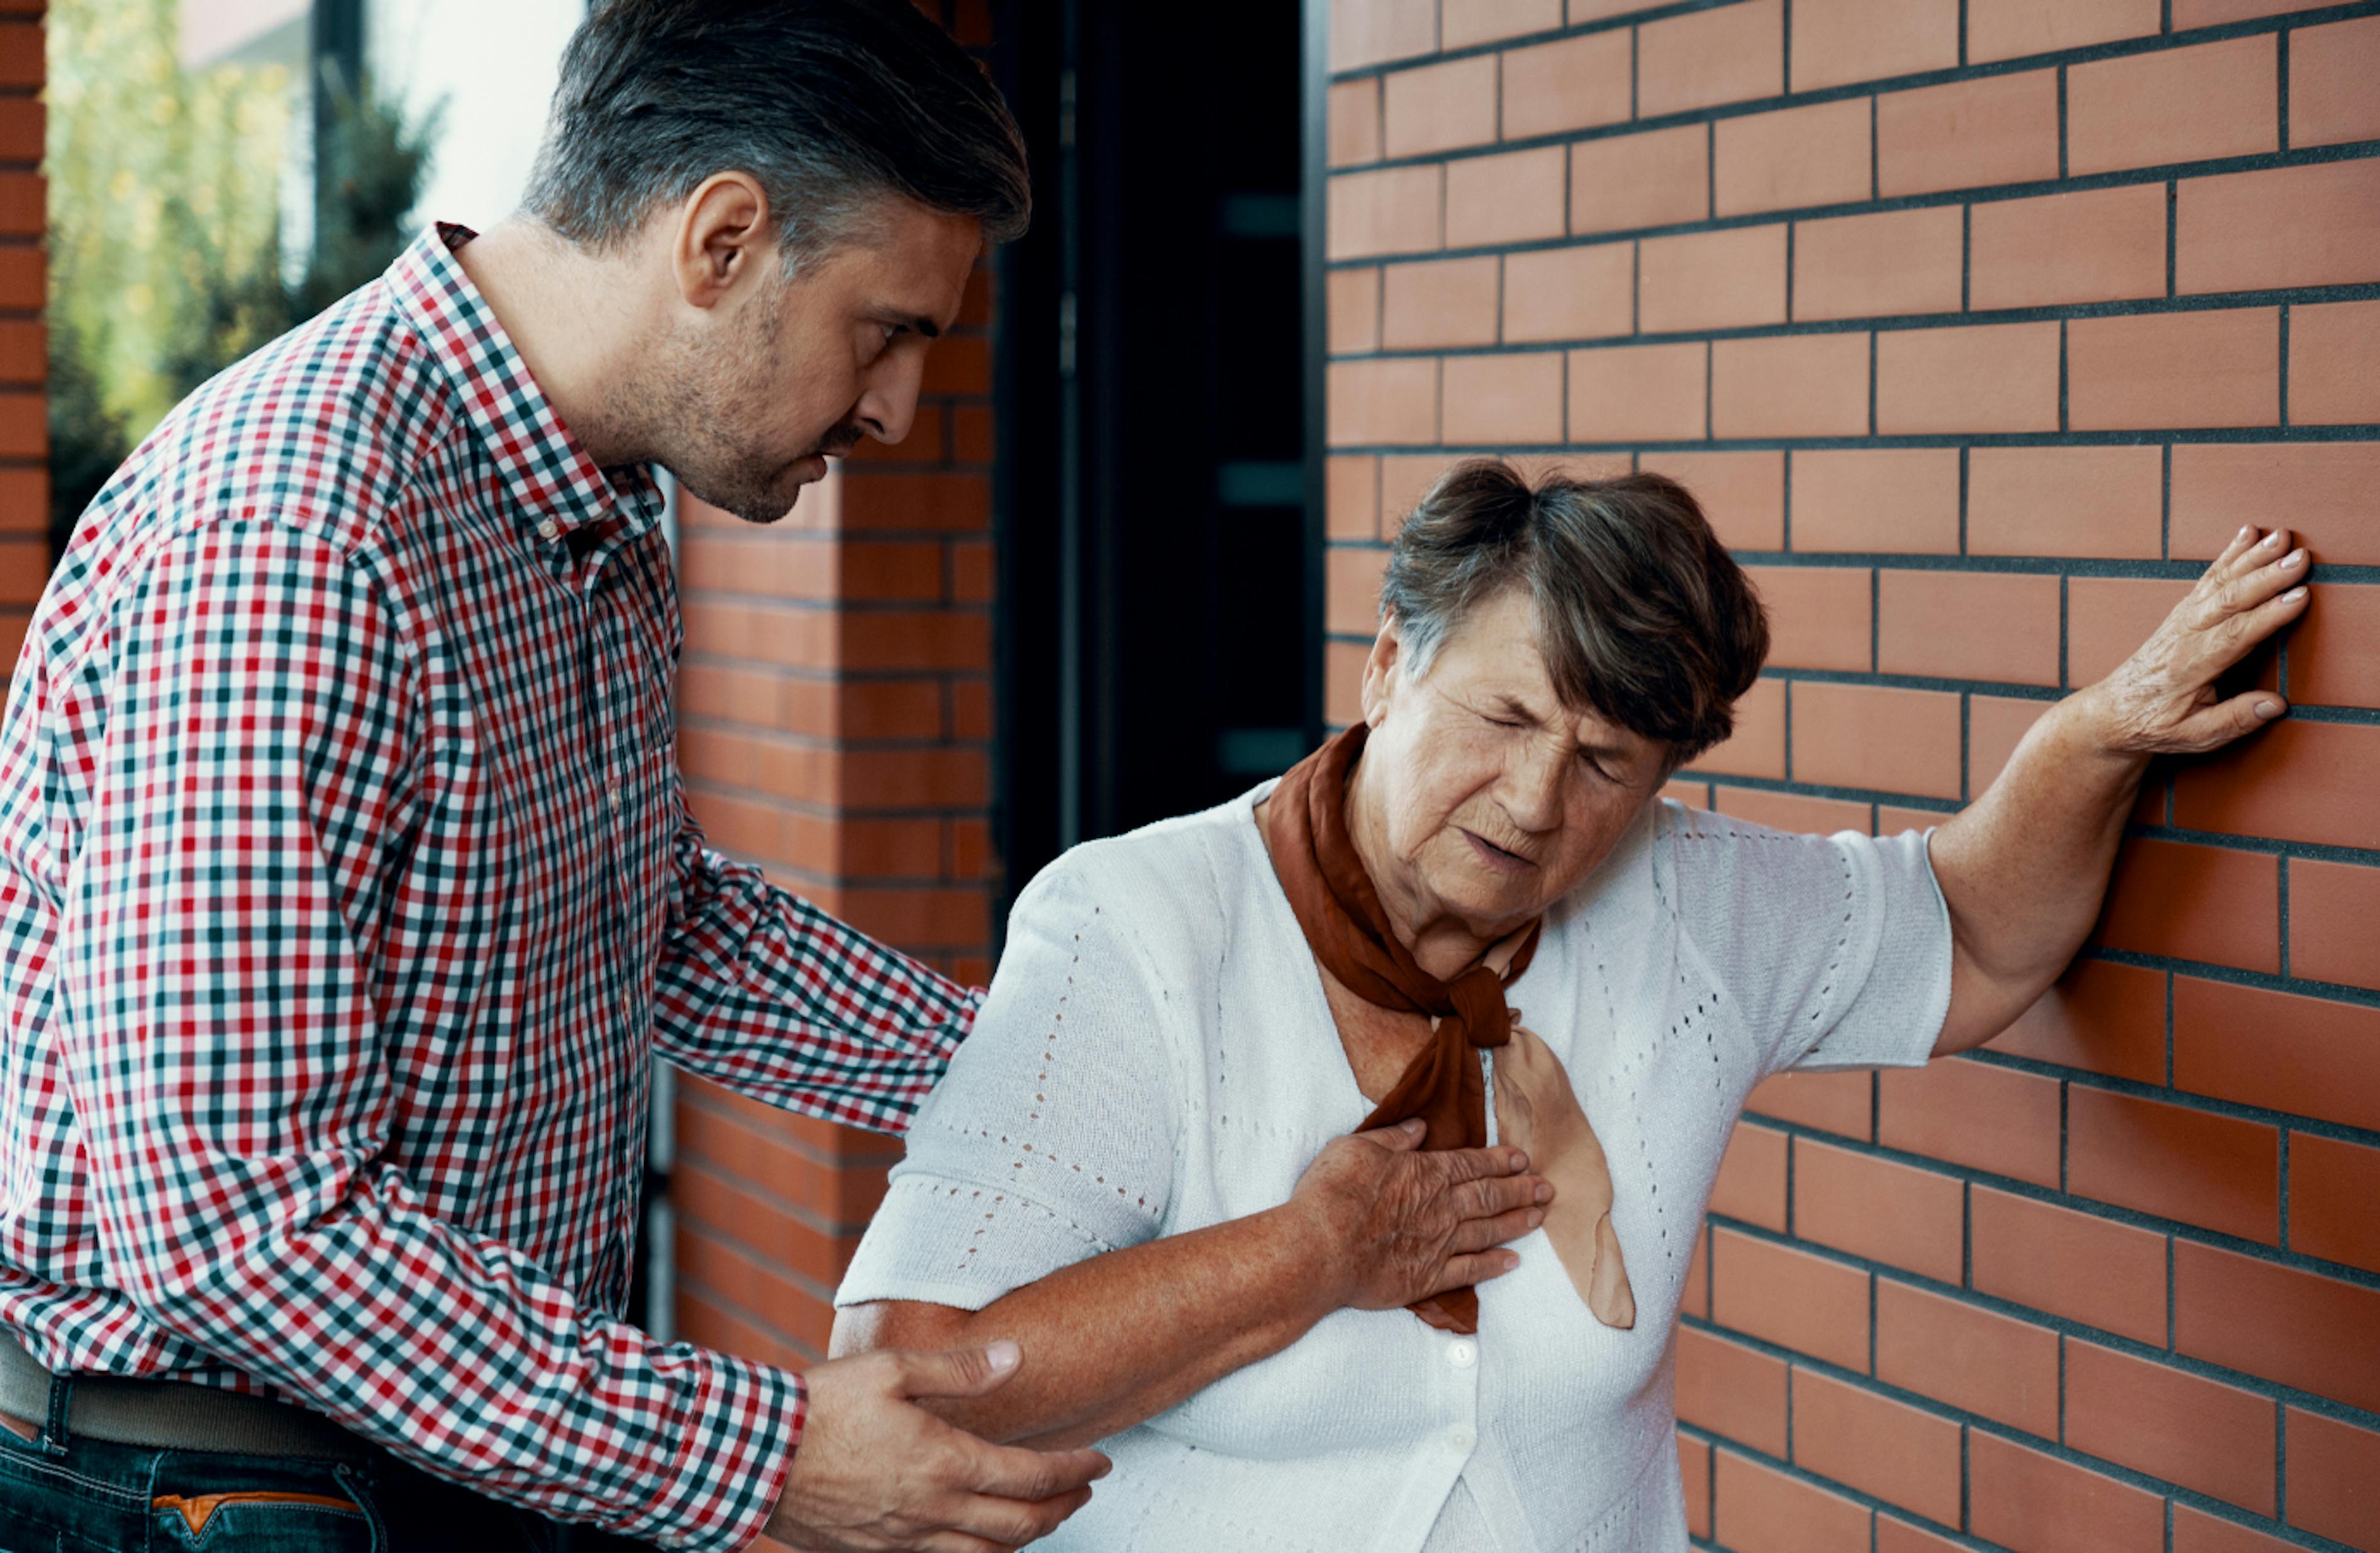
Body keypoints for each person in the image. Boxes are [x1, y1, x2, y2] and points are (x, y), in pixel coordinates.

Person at [0, 4, 1410, 1550]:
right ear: (723, 240)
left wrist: (1101, 1089)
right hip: (208, 1489)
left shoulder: (585, 511)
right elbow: (230, 1211)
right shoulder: (299, 535)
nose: (895, 411)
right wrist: (766, 1453)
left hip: (444, 1453)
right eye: (887, 330)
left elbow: (656, 922)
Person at [831, 459, 2313, 1550]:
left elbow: (1977, 934)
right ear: (1389, 664)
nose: (1540, 800)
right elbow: (915, 1378)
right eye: (1507, 716)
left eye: (1610, 763)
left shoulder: (1686, 902)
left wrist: (2096, 740)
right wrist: (1310, 1251)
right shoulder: (1136, 925)